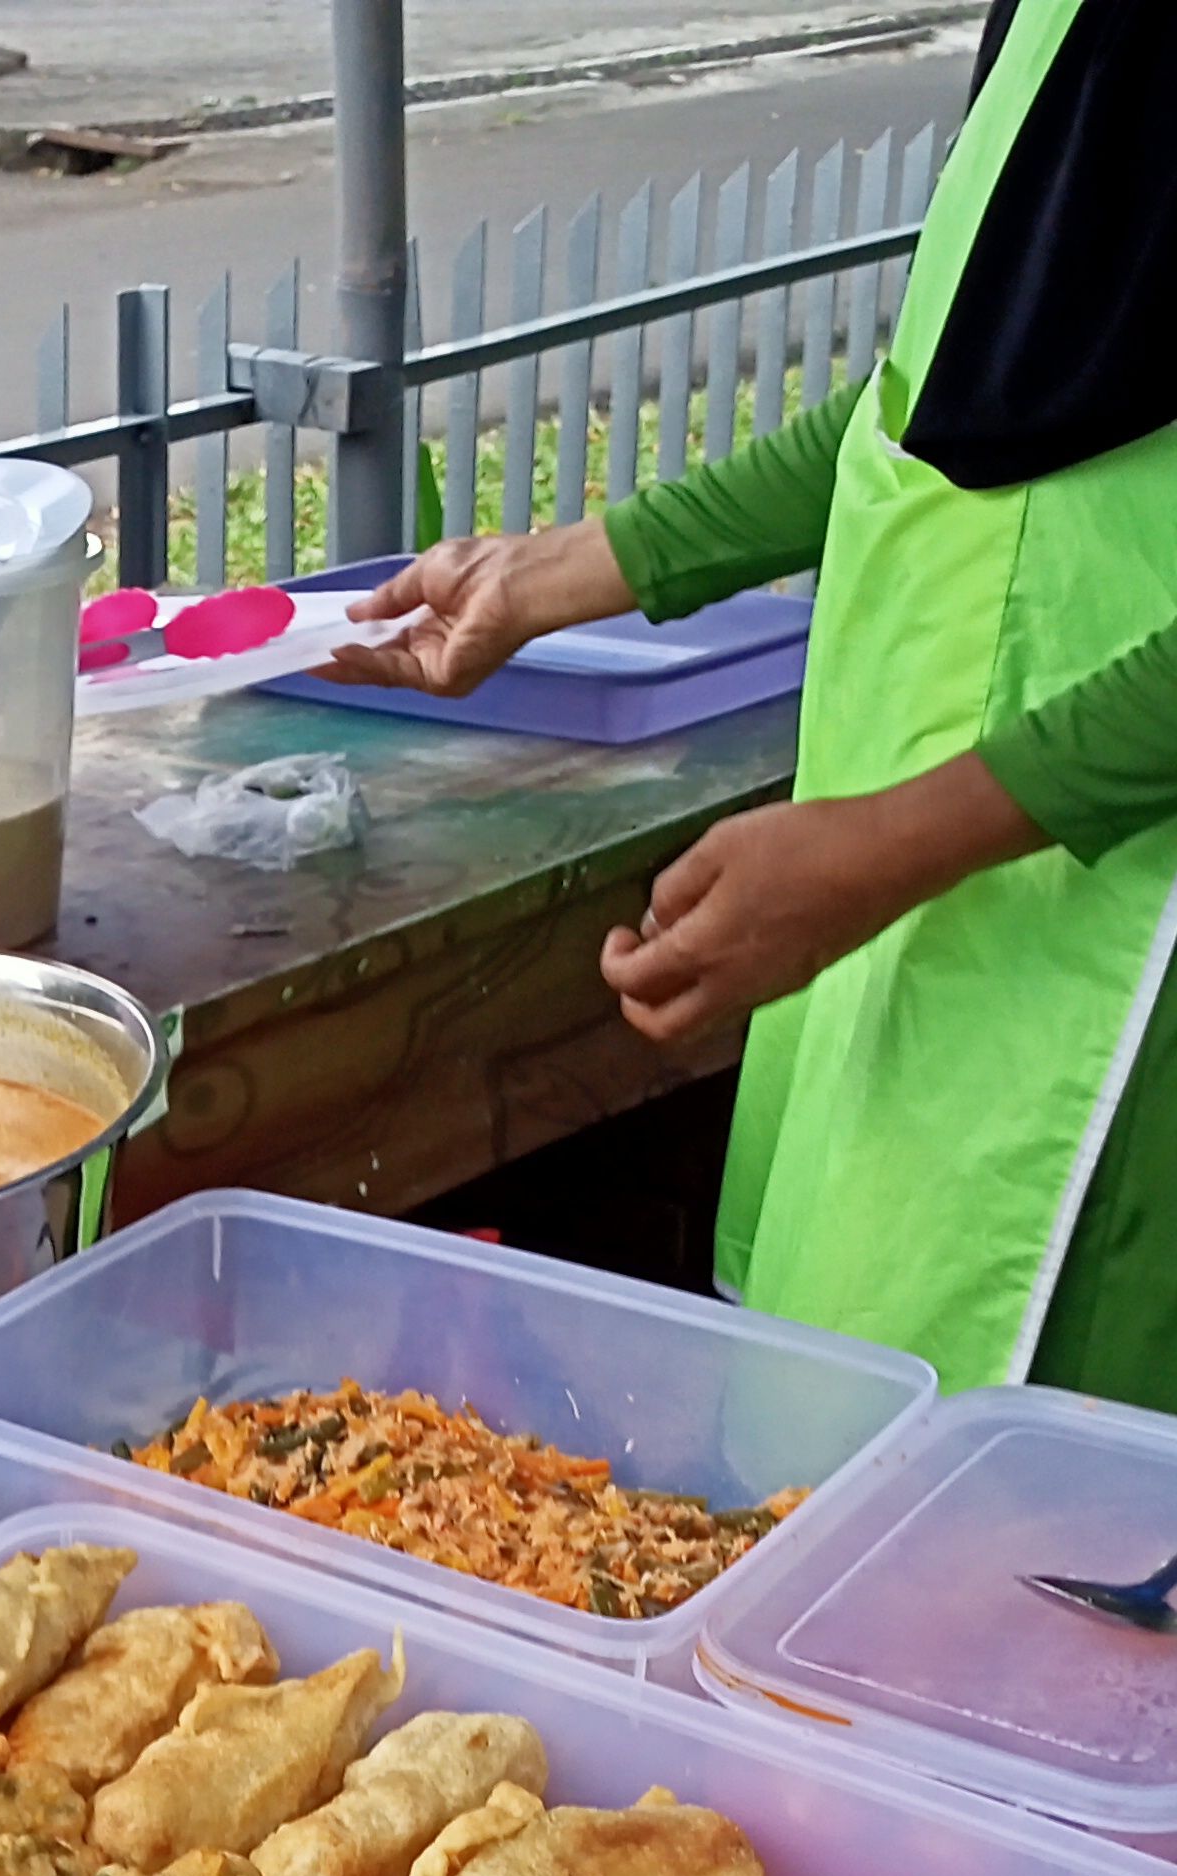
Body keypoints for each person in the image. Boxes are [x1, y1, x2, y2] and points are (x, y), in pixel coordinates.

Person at [325, 0, 1177, 1406]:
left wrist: (888, 848)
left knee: (1025, 1551)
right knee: (841, 1450)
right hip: (911, 877)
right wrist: (551, 576)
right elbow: (940, 396)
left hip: (1113, 993)